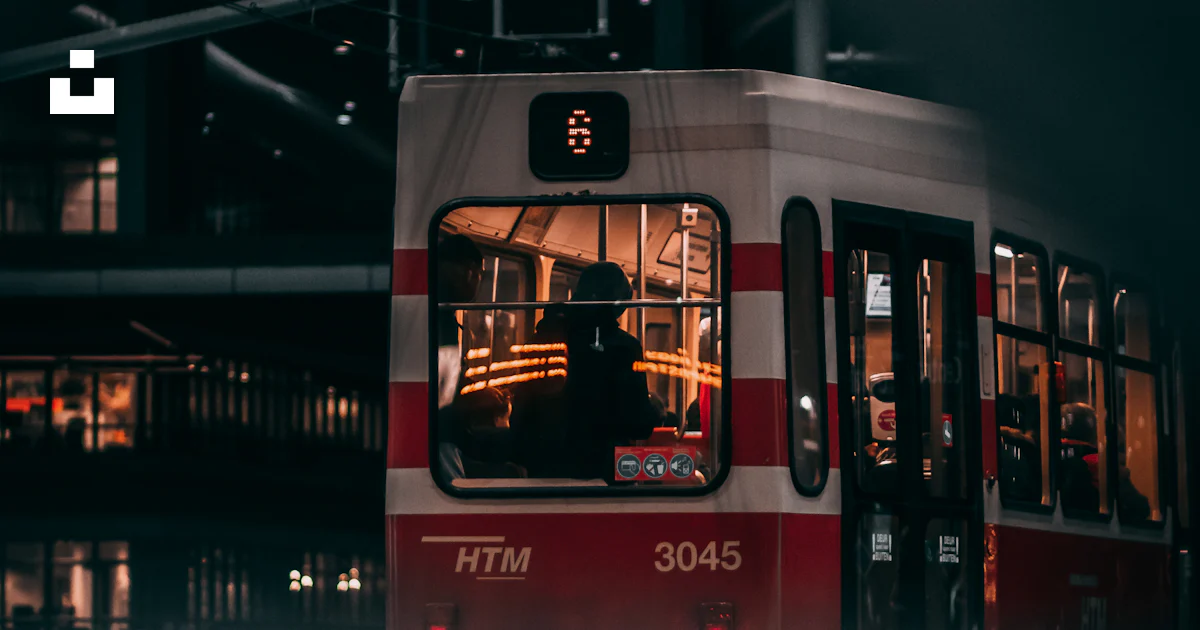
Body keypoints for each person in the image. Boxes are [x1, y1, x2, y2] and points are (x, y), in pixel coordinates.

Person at [559, 262, 659, 481]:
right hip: (603, 466)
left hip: (548, 463)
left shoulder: (550, 336)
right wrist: (654, 415)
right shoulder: (624, 348)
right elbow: (636, 420)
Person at [435, 233, 484, 411]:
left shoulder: (443, 313)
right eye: (480, 275)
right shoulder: (441, 318)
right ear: (469, 271)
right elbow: (443, 392)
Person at [438, 387, 525, 480]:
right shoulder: (448, 448)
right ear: (496, 419)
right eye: (506, 419)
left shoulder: (459, 449)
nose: (508, 425)